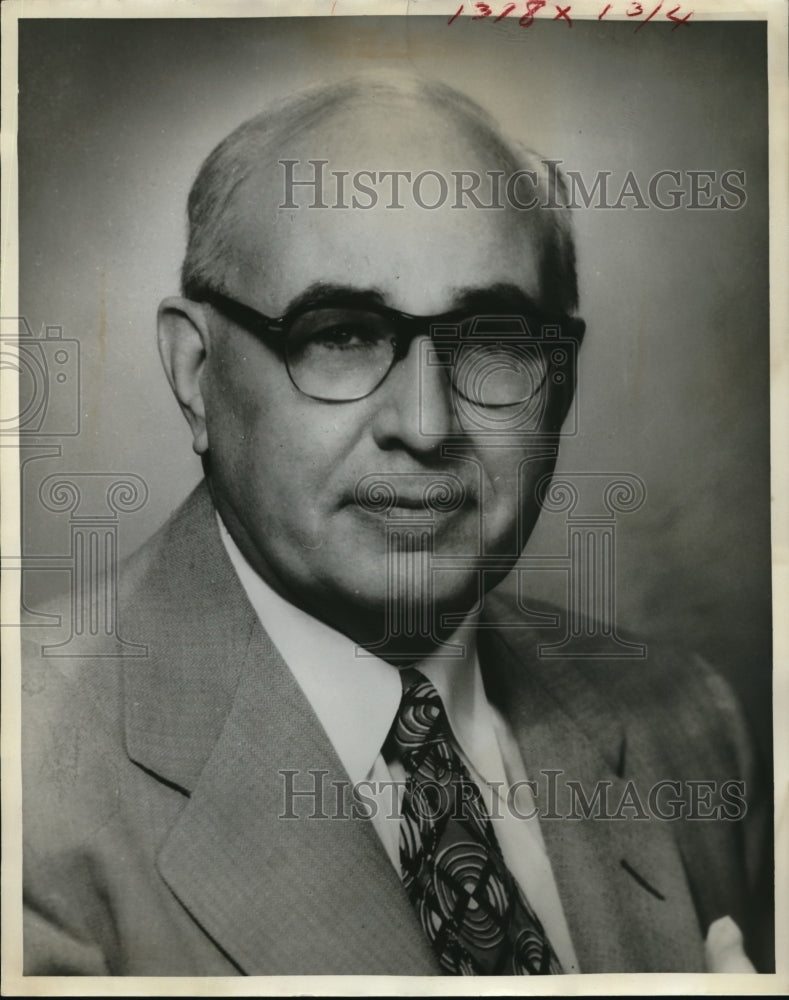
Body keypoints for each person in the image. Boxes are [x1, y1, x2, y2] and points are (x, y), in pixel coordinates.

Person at [22, 75, 772, 976]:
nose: (425, 426)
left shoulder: (688, 722)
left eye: (491, 338)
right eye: (340, 333)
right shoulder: (24, 776)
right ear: (194, 374)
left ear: (558, 384)